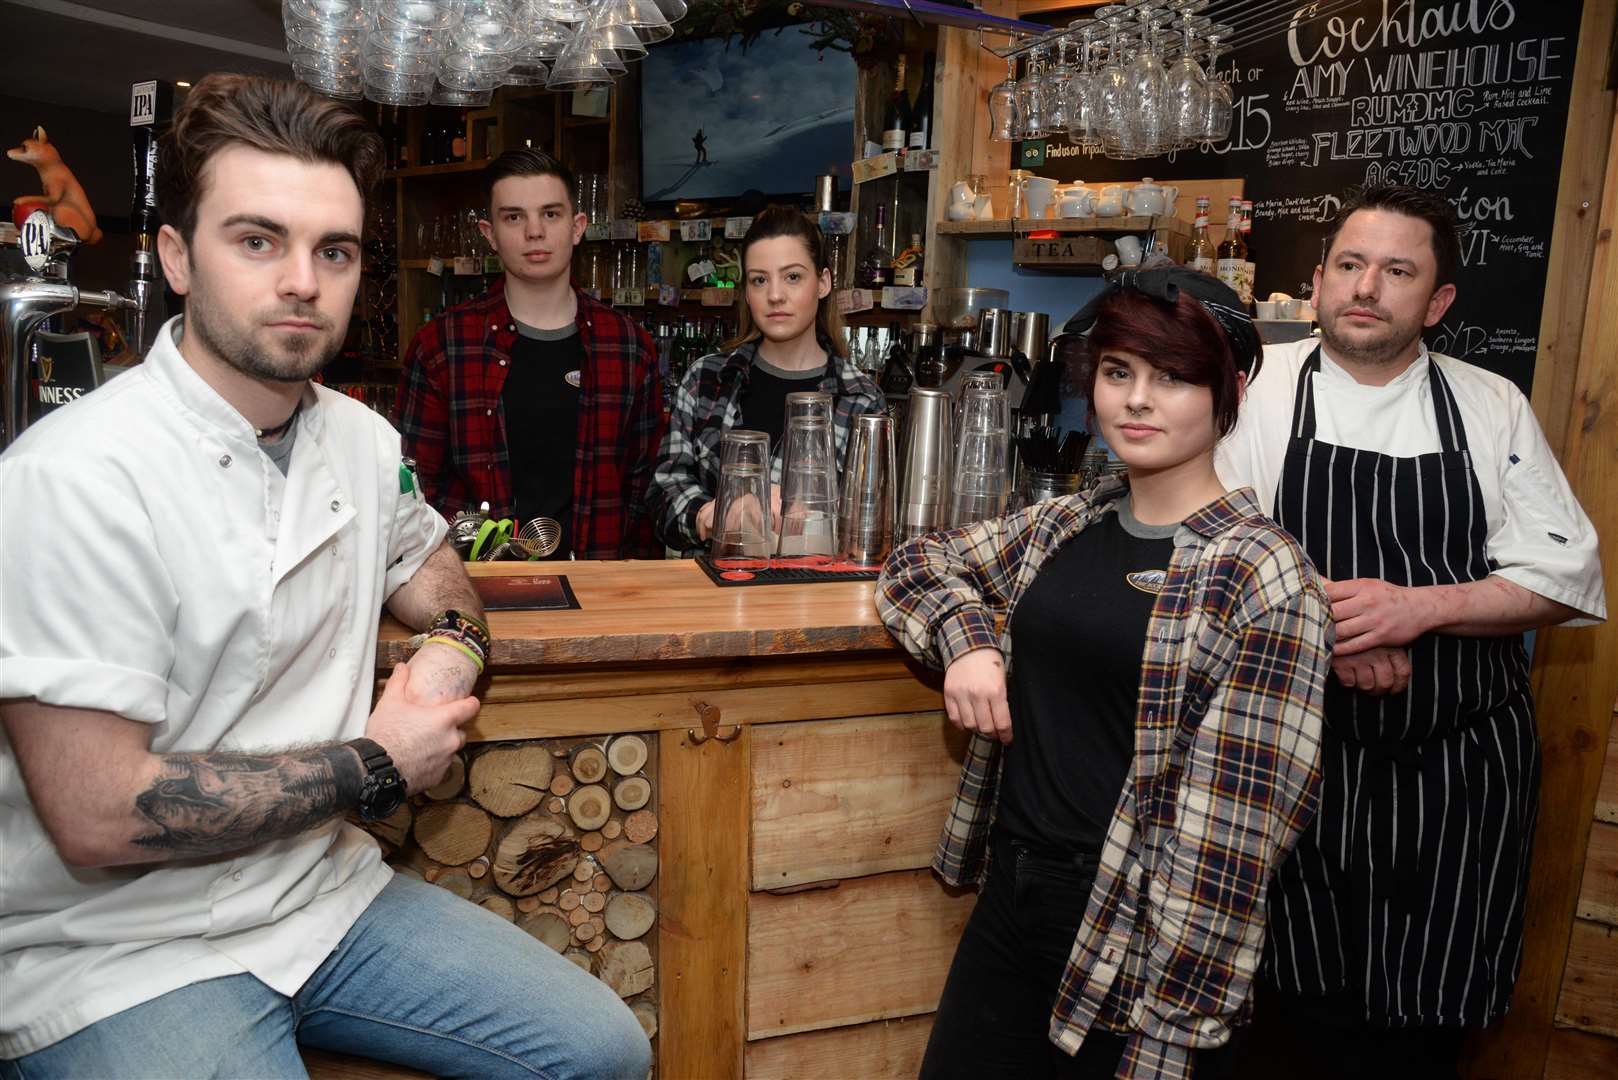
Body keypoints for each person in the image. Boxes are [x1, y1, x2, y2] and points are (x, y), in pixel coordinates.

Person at [0, 74, 649, 1079]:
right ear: (177, 256)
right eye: (256, 241)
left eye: (333, 251)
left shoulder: (358, 435)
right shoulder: (70, 478)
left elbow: (428, 560)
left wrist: (452, 644)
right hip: (116, 946)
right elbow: (97, 814)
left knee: (602, 1052)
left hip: (320, 898)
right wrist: (374, 762)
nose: (302, 280)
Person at [877, 268, 1334, 1079]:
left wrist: (1174, 1026)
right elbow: (917, 563)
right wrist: (968, 639)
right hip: (1009, 897)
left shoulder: (1262, 574)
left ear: (1228, 389)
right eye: (1119, 372)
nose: (1137, 400)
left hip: (1134, 920)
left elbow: (1234, 840)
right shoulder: (1069, 520)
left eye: (1174, 377)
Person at [1214, 184, 1606, 1077]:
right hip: (1297, 765)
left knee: (1426, 1034)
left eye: (1397, 271)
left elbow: (1563, 572)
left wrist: (1419, 608)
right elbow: (1215, 540)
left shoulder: (1489, 403)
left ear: (1437, 303)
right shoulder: (1253, 388)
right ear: (1316, 281)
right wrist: (1345, 627)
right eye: (1349, 265)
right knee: (1288, 1017)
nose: (1366, 287)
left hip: (1459, 778)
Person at [396, 148, 666, 560]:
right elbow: (414, 491)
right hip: (477, 589)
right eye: (514, 217)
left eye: (551, 214)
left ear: (577, 227)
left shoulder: (628, 347)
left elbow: (644, 491)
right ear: (489, 233)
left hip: (599, 591)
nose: (534, 231)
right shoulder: (442, 347)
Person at [649, 206, 883, 555]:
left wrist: (813, 518)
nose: (775, 295)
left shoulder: (861, 399)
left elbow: (870, 526)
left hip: (813, 600)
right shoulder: (706, 380)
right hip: (713, 595)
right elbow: (663, 493)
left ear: (823, 283)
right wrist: (709, 515)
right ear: (746, 291)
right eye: (760, 280)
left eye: (792, 277)